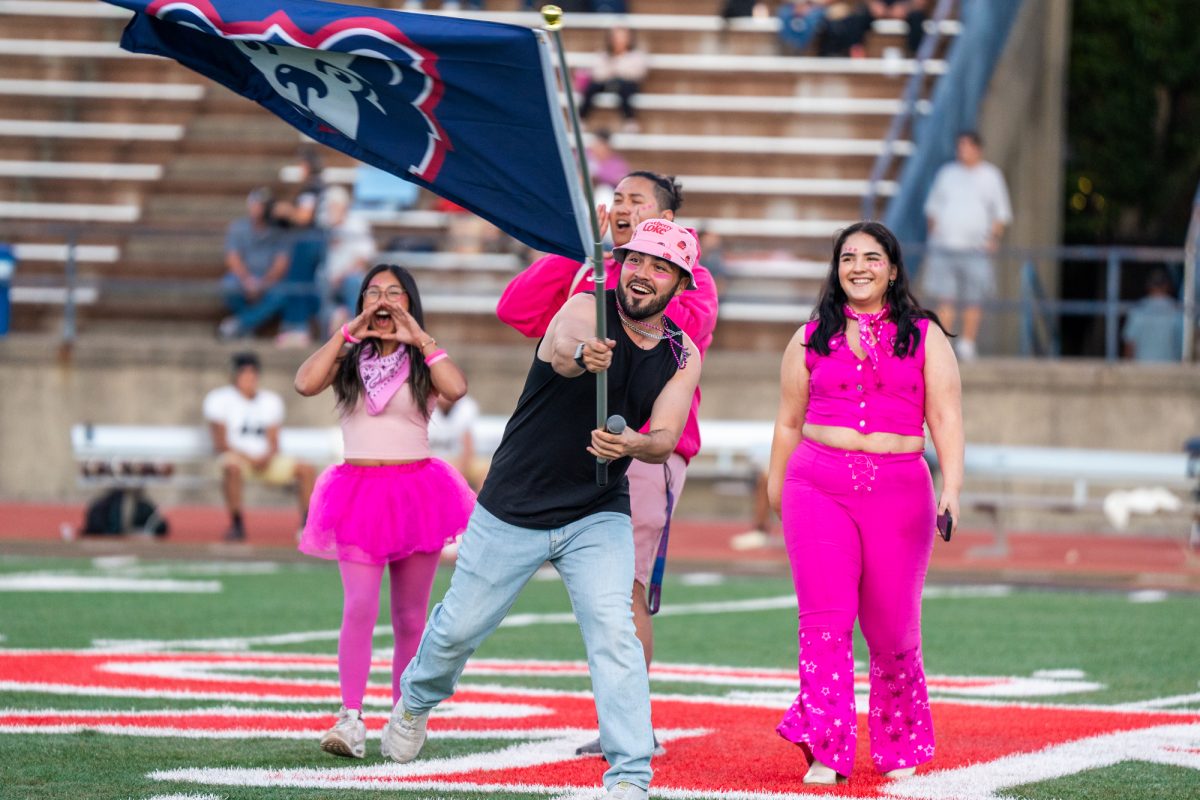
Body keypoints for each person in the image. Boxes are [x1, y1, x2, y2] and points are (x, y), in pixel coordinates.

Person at [386, 219, 704, 800]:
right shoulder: (588, 307)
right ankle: (415, 701)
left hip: (598, 510)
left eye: (660, 268)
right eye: (635, 261)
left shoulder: (683, 354)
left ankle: (630, 773)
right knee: (459, 628)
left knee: (614, 633)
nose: (643, 275)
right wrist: (587, 354)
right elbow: (560, 351)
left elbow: (664, 435)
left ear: (680, 284)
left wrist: (632, 444)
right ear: (621, 264)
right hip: (515, 501)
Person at [496, 171, 719, 755]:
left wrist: (611, 277)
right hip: (568, 442)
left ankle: (632, 728)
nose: (620, 205)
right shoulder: (595, 270)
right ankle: (625, 723)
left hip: (643, 447)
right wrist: (579, 254)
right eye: (616, 197)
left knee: (627, 590)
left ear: (665, 222)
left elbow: (664, 334)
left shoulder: (686, 281)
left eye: (635, 200)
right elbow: (515, 311)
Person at [767, 221, 962, 785]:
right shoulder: (808, 337)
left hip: (901, 491)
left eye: (871, 257)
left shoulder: (925, 336)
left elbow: (946, 417)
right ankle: (829, 750)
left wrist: (952, 486)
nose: (858, 266)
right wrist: (777, 491)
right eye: (847, 257)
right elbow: (786, 422)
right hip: (817, 487)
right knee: (825, 624)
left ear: (893, 269)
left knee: (893, 631)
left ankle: (899, 747)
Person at [292, 264, 475, 760]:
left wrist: (418, 335)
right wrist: (347, 332)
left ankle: (405, 717)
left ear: (411, 303)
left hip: (417, 491)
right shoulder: (349, 358)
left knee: (411, 617)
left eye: (395, 294)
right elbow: (305, 383)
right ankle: (350, 718)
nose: (384, 301)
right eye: (374, 293)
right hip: (358, 493)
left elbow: (456, 389)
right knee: (358, 607)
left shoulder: (422, 360)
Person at [203, 351, 317, 542]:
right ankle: (237, 523)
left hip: (266, 460)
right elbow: (221, 443)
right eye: (243, 373)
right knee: (231, 467)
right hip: (237, 458)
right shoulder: (219, 399)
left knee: (305, 469)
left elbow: (274, 442)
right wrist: (250, 458)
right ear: (234, 375)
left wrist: (266, 457)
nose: (248, 378)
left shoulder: (270, 400)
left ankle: (307, 524)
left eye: (252, 373)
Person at [921, 130, 1012, 361]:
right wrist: (935, 234)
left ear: (977, 148)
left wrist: (993, 238)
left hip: (975, 248)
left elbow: (1000, 213)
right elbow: (933, 209)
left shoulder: (991, 176)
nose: (961, 151)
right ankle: (945, 344)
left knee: (974, 298)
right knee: (945, 298)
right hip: (945, 246)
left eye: (966, 146)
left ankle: (968, 343)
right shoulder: (947, 173)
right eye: (959, 146)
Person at [217, 188, 292, 340]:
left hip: (269, 280)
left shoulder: (280, 230)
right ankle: (248, 325)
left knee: (283, 293)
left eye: (262, 205)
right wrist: (247, 280)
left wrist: (263, 283)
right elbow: (232, 258)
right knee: (228, 286)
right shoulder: (238, 227)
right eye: (255, 204)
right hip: (242, 278)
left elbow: (281, 263)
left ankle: (240, 325)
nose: (258, 209)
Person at [317, 185, 377, 336]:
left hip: (350, 276)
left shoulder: (357, 224)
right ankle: (334, 321)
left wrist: (342, 275)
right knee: (319, 282)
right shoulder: (324, 226)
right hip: (328, 278)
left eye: (335, 206)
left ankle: (354, 326)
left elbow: (365, 256)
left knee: (353, 282)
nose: (332, 209)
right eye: (330, 206)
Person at [578, 27, 649, 133]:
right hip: (607, 83)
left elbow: (637, 73)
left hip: (626, 85)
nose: (619, 41)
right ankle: (581, 119)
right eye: (616, 37)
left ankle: (630, 120)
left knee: (624, 87)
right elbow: (597, 74)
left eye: (622, 37)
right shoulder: (603, 55)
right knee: (592, 87)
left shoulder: (635, 55)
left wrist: (615, 70)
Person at [1122, 268, 1184, 363]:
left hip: (1142, 369)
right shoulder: (1177, 312)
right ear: (1167, 285)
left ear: (1148, 286)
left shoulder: (1138, 311)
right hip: (1169, 370)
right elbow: (1184, 346)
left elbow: (1129, 346)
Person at [428, 393, 486, 490]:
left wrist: (458, 471)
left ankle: (477, 504)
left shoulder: (467, 407)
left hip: (460, 461)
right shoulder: (421, 405)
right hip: (432, 462)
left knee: (486, 474)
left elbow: (468, 449)